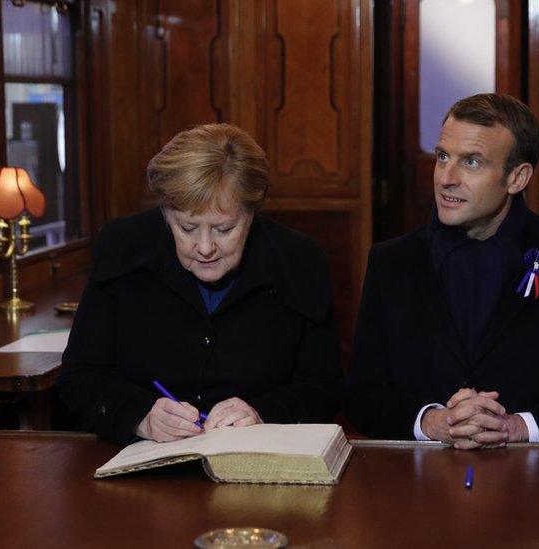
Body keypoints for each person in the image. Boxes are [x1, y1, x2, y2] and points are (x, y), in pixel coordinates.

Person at [344, 93, 539, 448]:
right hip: (419, 485)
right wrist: (433, 422)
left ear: (517, 178)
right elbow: (361, 397)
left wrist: (518, 427)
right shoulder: (391, 262)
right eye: (443, 157)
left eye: (472, 162)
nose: (446, 178)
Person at [58, 123, 341, 445]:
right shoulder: (121, 246)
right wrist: (140, 416)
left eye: (224, 229)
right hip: (142, 464)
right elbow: (80, 376)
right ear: (165, 213)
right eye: (187, 228)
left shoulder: (299, 259)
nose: (205, 248)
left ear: (252, 213)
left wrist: (263, 412)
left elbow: (325, 386)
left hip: (255, 466)